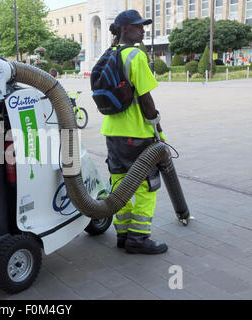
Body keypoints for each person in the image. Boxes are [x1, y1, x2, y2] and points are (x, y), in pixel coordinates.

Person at [102, 10, 167, 254]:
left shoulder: (109, 54)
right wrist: (158, 128)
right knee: (146, 185)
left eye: (143, 26)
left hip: (112, 132)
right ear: (124, 30)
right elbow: (146, 99)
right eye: (138, 26)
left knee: (119, 184)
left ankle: (123, 234)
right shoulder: (135, 56)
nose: (142, 30)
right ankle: (138, 239)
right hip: (136, 134)